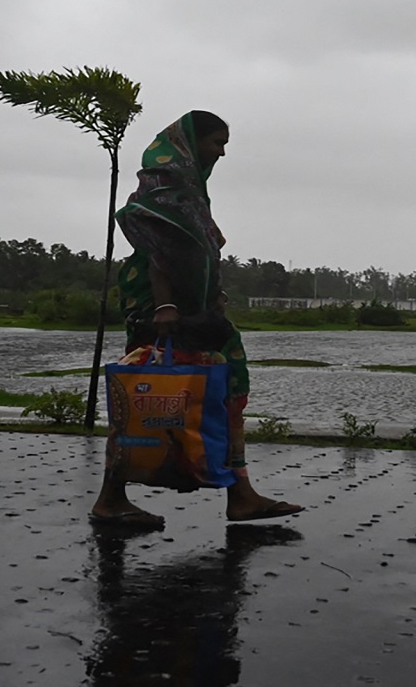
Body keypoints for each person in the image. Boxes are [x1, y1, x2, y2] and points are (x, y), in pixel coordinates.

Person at [90, 111, 303, 527]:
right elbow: (160, 250)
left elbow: (194, 252)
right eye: (215, 143)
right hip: (163, 313)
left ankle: (238, 492)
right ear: (190, 143)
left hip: (192, 308)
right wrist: (166, 306)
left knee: (216, 393)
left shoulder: (190, 189)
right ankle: (113, 496)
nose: (221, 152)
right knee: (143, 398)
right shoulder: (168, 189)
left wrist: (210, 291)